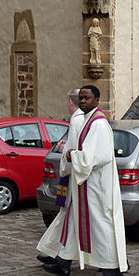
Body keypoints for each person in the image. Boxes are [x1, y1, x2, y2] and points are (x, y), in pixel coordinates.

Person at [43, 85, 128, 276]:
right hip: (87, 185)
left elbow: (92, 158)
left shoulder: (98, 125)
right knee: (75, 222)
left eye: (87, 98)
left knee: (102, 227)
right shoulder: (89, 121)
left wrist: (71, 155)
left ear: (97, 100)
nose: (82, 101)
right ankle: (63, 262)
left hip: (98, 186)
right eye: (81, 98)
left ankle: (113, 273)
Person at [36, 88, 84, 266]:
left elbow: (72, 151)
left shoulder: (77, 120)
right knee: (65, 217)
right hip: (77, 175)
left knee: (72, 219)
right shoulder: (83, 119)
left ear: (71, 102)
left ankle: (61, 259)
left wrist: (63, 150)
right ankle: (53, 252)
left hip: (77, 178)